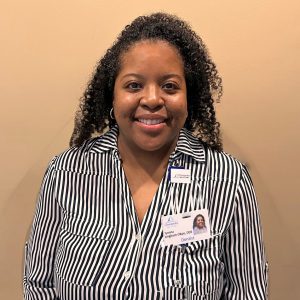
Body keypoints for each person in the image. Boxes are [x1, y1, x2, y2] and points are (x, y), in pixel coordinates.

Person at [23, 13, 268, 299]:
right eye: (134, 85)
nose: (152, 99)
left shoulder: (229, 180)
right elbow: (39, 284)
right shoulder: (66, 173)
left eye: (170, 86)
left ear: (190, 97)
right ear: (111, 97)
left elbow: (248, 292)